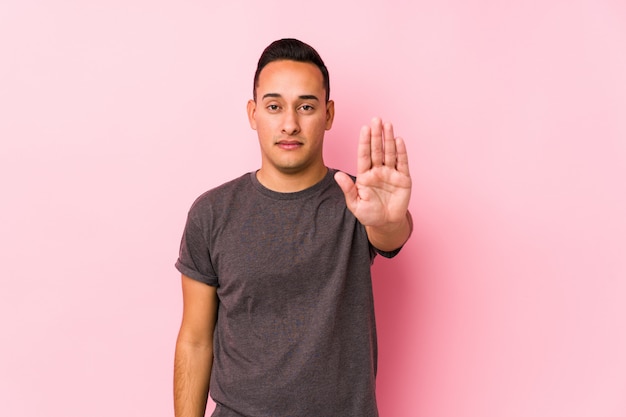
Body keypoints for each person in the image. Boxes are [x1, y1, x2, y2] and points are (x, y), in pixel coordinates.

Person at [174, 38, 413, 417]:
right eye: (274, 106)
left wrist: (389, 220)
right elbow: (196, 339)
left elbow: (390, 235)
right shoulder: (211, 213)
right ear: (253, 113)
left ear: (329, 114)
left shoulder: (358, 199)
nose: (290, 123)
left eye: (306, 106)